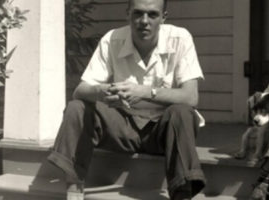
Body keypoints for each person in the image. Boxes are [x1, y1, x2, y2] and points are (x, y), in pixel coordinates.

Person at [48, 0, 206, 199]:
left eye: (152, 15)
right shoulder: (112, 39)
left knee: (182, 112)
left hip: (163, 132)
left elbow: (191, 97)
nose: (144, 21)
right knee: (77, 107)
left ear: (164, 17)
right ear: (128, 14)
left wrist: (144, 91)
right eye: (138, 13)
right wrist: (102, 90)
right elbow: (80, 90)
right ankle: (73, 187)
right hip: (123, 127)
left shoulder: (180, 38)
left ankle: (181, 193)